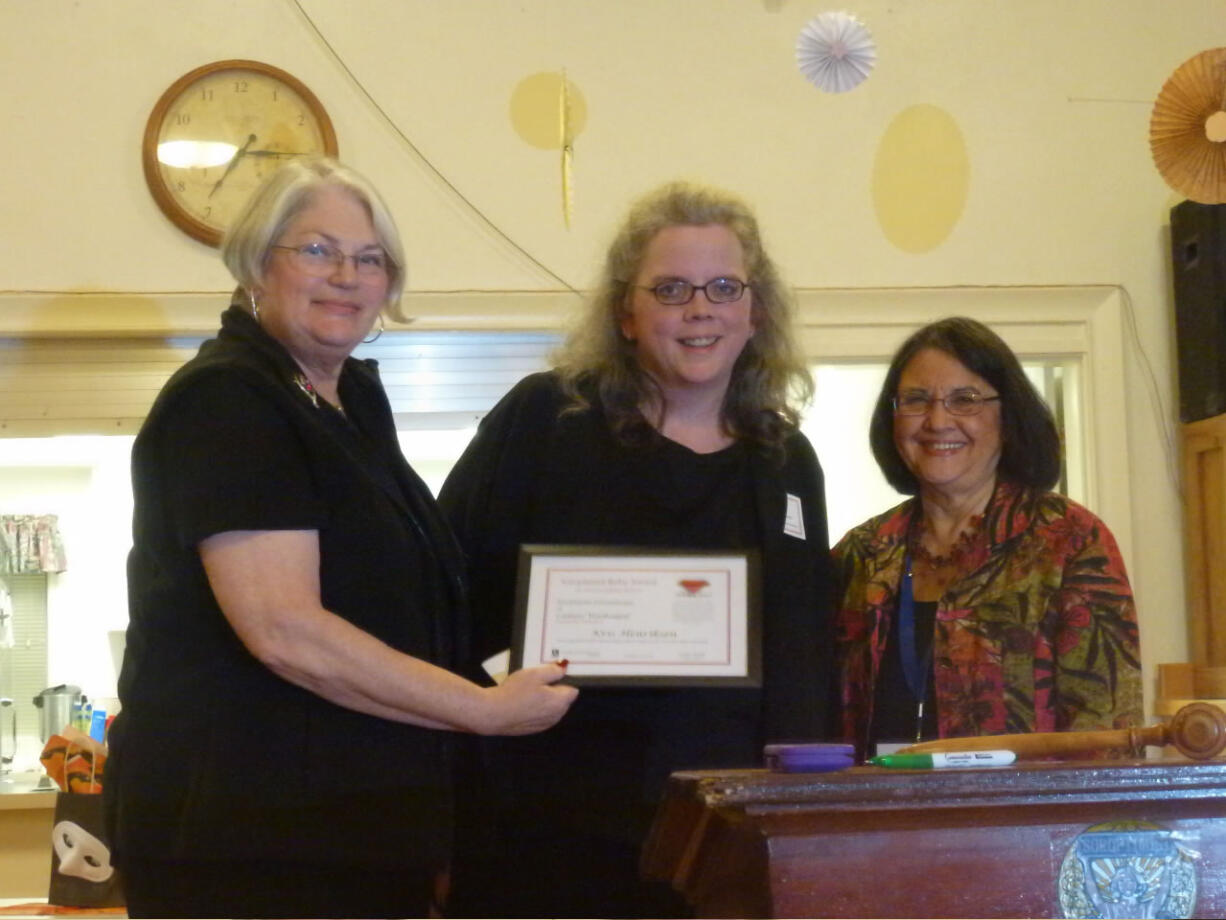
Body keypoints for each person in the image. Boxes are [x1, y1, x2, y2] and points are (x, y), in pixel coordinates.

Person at [104, 157, 576, 919]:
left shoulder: (345, 401)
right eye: (317, 250)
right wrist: (482, 709)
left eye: (369, 259)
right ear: (258, 263)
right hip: (251, 846)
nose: (346, 276)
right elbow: (286, 631)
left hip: (346, 833)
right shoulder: (231, 400)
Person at [438, 180, 835, 918]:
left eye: (723, 286)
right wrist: (506, 678)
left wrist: (805, 825)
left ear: (756, 310)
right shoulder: (543, 421)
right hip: (549, 836)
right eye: (671, 288)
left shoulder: (787, 462)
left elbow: (805, 656)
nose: (699, 309)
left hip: (726, 846)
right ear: (626, 311)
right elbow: (445, 588)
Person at [833, 316, 1142, 758]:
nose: (938, 421)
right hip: (880, 818)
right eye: (917, 400)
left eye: (966, 400)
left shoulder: (1070, 542)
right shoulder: (860, 554)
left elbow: (1108, 736)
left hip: (1023, 821)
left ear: (1008, 416)